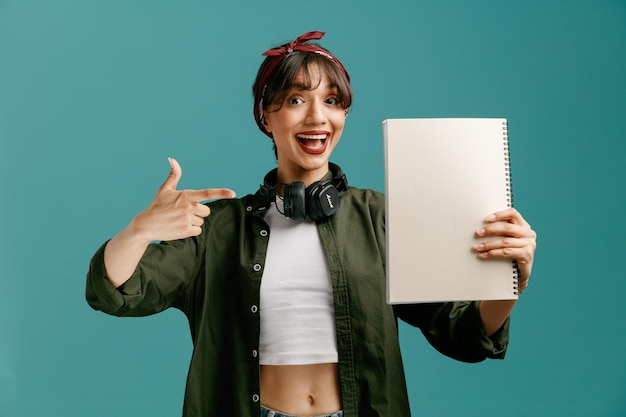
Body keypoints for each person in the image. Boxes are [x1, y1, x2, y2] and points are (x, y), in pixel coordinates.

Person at [85, 31, 537, 417]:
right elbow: (115, 291)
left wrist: (508, 280)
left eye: (332, 101)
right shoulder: (218, 229)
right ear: (267, 115)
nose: (318, 117)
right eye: (297, 99)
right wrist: (140, 229)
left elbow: (462, 332)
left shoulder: (381, 217)